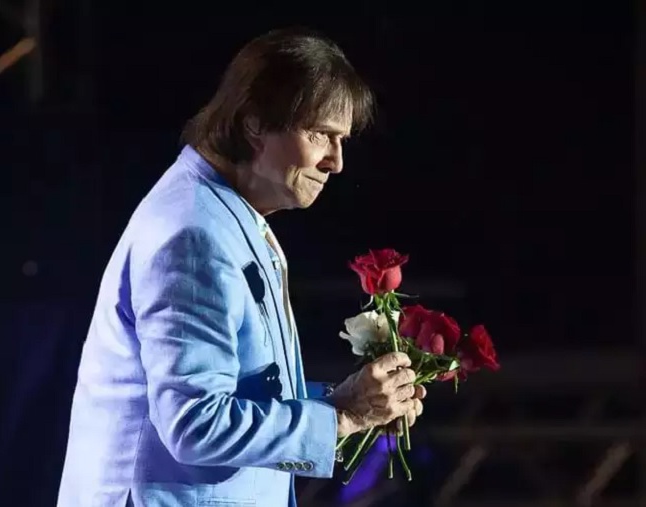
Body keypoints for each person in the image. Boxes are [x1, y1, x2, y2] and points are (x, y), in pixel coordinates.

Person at [57, 27, 425, 507]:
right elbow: (195, 424)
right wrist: (342, 419)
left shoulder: (220, 213)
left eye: (342, 140)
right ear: (254, 124)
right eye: (320, 134)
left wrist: (343, 401)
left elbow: (233, 395)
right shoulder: (196, 235)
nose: (335, 162)